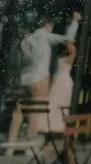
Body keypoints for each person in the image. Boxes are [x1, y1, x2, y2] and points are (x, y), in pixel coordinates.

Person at [9, 11, 82, 143]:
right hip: (40, 79)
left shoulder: (25, 40)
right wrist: (75, 22)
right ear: (48, 25)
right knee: (35, 113)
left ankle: (11, 144)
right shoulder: (44, 36)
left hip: (24, 80)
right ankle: (30, 145)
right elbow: (68, 38)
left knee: (18, 112)